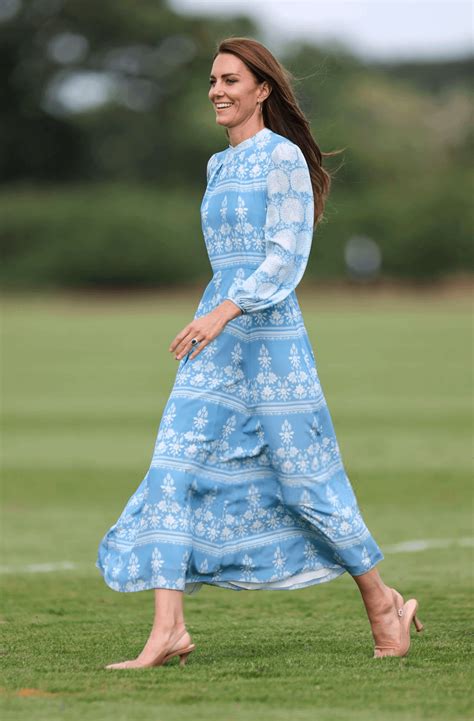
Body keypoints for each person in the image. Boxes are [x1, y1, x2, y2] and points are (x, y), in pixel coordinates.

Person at [96, 37, 424, 669]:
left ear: (262, 89)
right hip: (216, 342)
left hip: (270, 343)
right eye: (212, 81)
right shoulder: (218, 166)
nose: (218, 90)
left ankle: (383, 602)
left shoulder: (284, 159)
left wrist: (224, 309)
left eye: (230, 80)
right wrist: (214, 312)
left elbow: (285, 256)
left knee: (307, 486)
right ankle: (169, 631)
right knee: (173, 467)